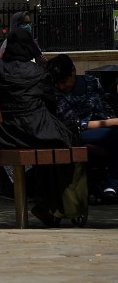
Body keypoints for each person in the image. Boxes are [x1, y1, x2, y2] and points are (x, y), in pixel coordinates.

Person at [0, 29, 77, 226]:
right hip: (37, 134)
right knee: (65, 143)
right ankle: (51, 203)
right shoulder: (39, 73)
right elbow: (51, 105)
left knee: (53, 147)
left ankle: (43, 201)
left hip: (3, 135)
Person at [47, 54, 118, 203]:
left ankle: (110, 186)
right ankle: (111, 185)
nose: (61, 86)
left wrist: (111, 121)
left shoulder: (92, 82)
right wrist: (111, 123)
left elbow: (104, 107)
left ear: (73, 71)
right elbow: (74, 124)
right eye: (58, 83)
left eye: (64, 81)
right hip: (76, 134)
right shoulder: (56, 93)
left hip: (104, 129)